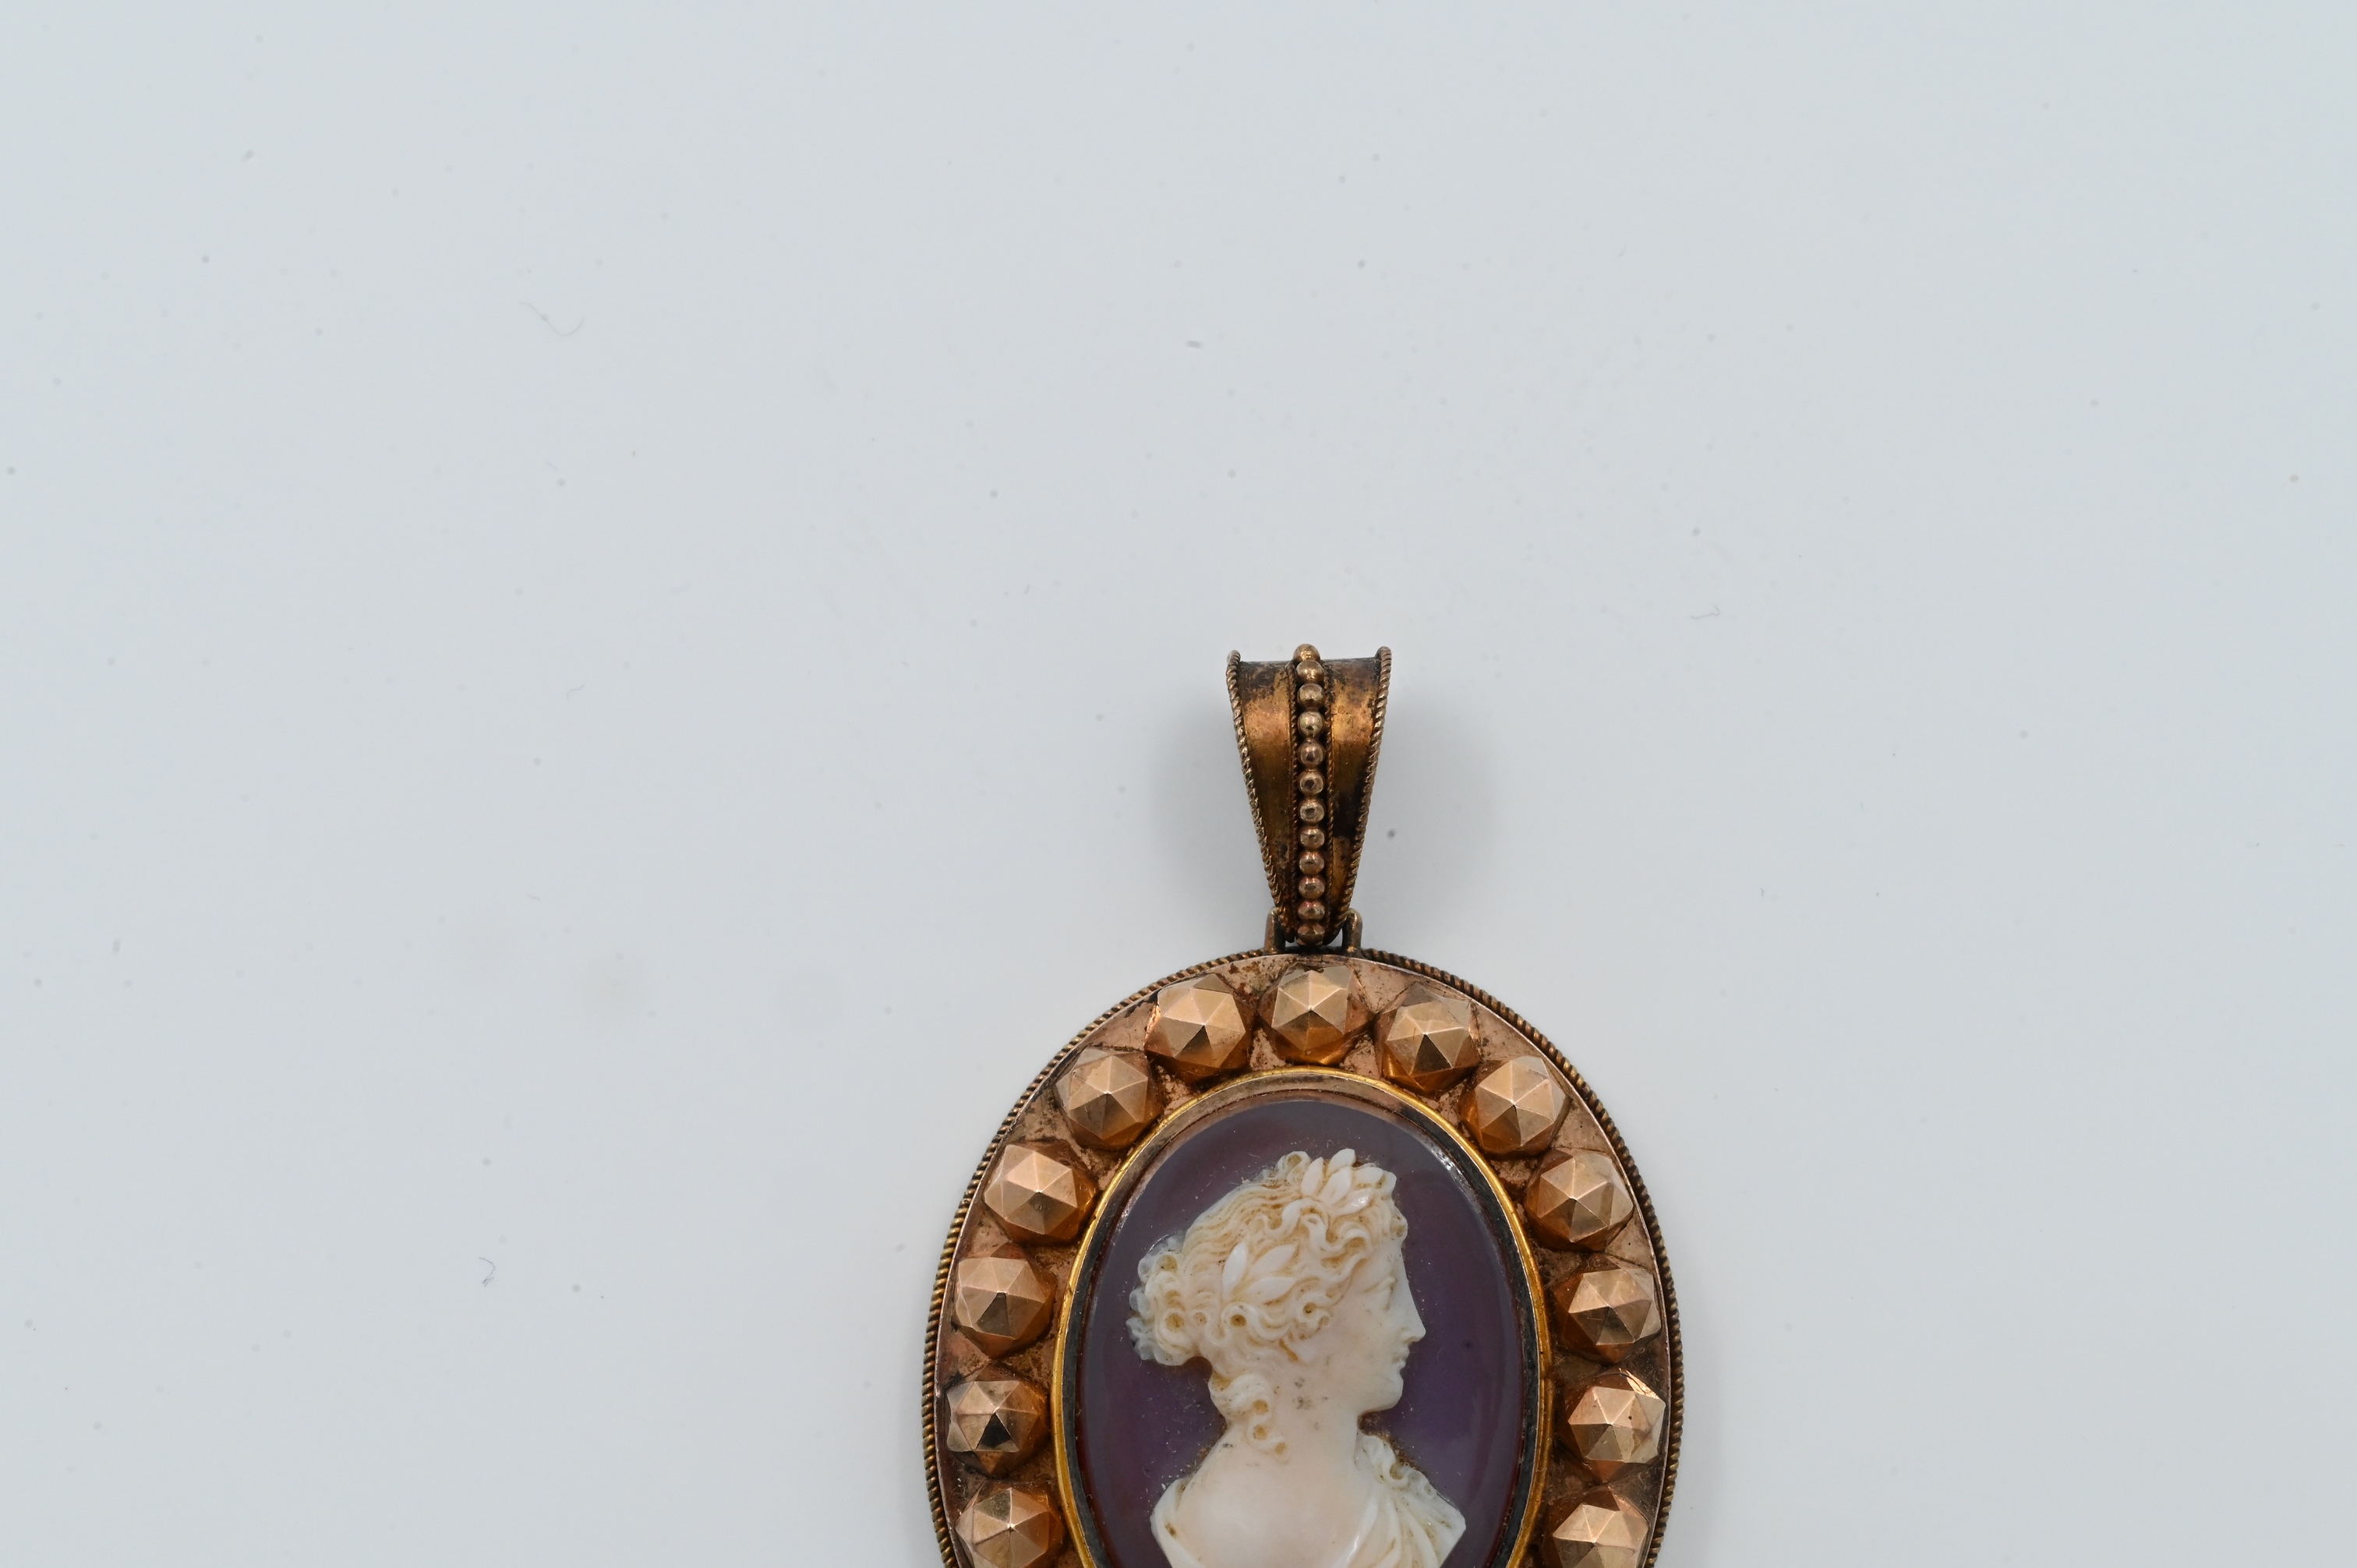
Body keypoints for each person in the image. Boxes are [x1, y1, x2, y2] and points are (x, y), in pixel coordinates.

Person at [1129, 1149, 1465, 1568]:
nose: (1415, 1326)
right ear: (1301, 1327)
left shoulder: (1392, 1490)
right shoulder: (1214, 1536)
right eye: (1386, 1293)